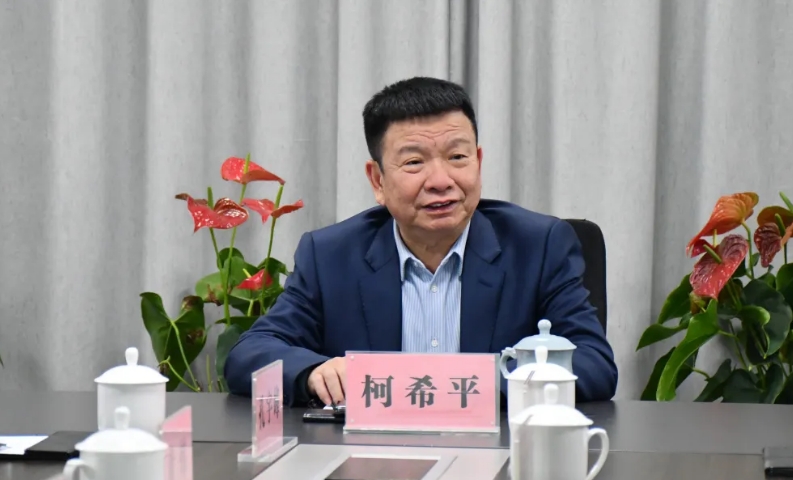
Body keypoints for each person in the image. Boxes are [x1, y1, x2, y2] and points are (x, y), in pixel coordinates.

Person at [225, 76, 617, 406]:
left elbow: (594, 363)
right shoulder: (330, 256)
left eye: (458, 157)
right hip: (372, 458)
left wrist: (467, 389)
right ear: (378, 180)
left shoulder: (539, 246)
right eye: (414, 162)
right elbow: (250, 353)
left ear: (478, 162)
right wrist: (313, 372)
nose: (441, 181)